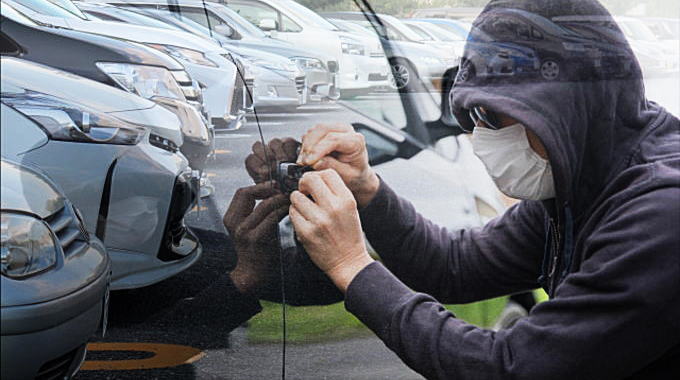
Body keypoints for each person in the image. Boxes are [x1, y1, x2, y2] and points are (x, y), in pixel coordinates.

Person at [223, 0, 679, 378]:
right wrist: (367, 190)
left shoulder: (660, 213)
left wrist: (350, 265)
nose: (481, 136)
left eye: (495, 116)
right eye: (474, 117)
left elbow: (510, 368)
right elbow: (456, 266)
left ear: (566, 107)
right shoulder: (585, 177)